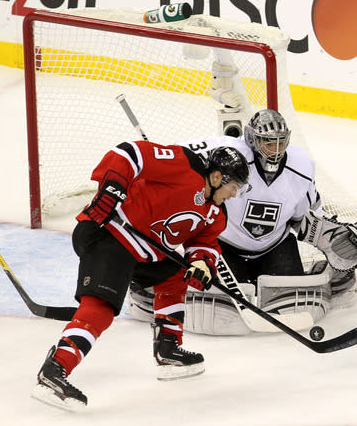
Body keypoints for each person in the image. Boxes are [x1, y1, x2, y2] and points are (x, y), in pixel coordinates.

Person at [31, 141, 250, 411]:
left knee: (177, 274)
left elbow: (204, 243)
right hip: (109, 233)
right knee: (102, 306)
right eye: (234, 188)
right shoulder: (185, 165)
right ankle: (55, 369)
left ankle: (168, 348)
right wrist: (110, 194)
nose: (234, 195)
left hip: (143, 253)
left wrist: (203, 264)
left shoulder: (216, 213)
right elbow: (127, 153)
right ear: (218, 177)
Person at [128, 109, 357, 336]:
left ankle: (336, 285)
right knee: (218, 310)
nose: (275, 149)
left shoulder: (301, 164)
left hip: (275, 245)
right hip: (225, 247)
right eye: (268, 142)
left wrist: (332, 234)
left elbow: (307, 213)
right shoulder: (228, 152)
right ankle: (151, 291)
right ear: (252, 140)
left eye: (280, 142)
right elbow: (180, 155)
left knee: (294, 304)